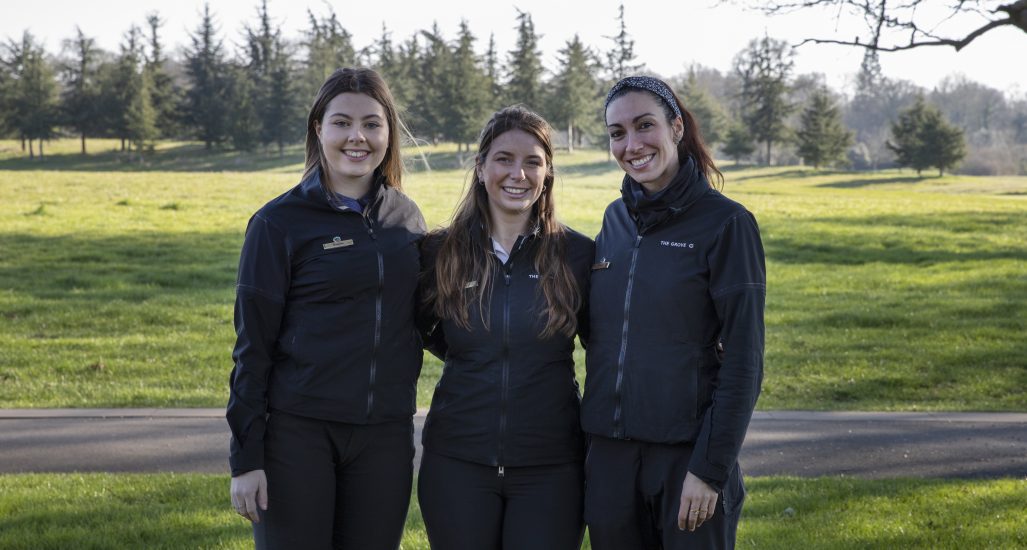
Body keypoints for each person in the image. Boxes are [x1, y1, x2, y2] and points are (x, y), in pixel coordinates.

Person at [226, 67, 426, 549]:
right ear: (319, 129)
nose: (357, 137)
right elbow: (252, 348)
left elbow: (428, 320)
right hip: (299, 436)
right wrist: (247, 460)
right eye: (342, 122)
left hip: (385, 436)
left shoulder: (407, 218)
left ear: (388, 133)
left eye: (372, 124)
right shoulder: (278, 223)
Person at [581, 75, 766, 549]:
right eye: (617, 133)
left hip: (687, 462)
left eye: (645, 125)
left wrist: (709, 469)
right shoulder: (614, 221)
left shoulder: (727, 224)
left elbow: (745, 360)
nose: (632, 144)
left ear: (677, 128)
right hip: (610, 463)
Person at [417, 106, 593, 550]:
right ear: (480, 168)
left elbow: (606, 348)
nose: (518, 173)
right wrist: (481, 352)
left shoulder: (578, 255)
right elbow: (421, 329)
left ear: (548, 172)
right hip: (457, 463)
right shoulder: (439, 251)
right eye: (503, 159)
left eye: (532, 161)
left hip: (552, 467)